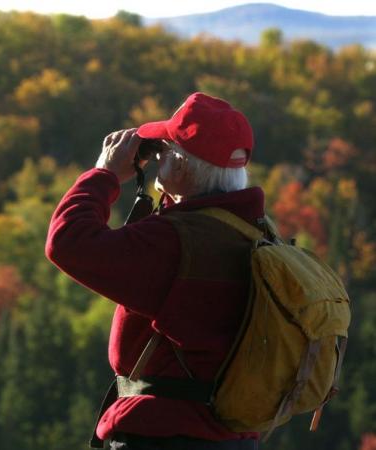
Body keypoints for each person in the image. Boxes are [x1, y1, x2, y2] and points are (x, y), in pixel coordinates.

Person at [45, 92, 263, 450]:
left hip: (165, 436)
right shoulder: (254, 232)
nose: (156, 155)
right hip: (233, 437)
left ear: (179, 166)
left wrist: (104, 174)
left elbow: (68, 243)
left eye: (163, 150)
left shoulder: (174, 242)